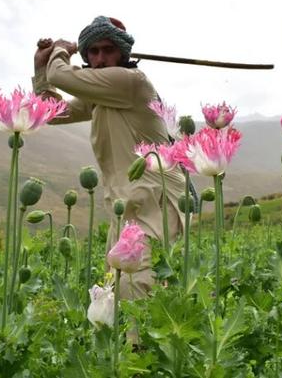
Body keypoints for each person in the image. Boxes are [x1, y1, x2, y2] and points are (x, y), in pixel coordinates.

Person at [32, 15, 183, 299]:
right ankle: (132, 344)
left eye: (108, 50)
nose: (100, 58)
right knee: (118, 280)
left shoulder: (130, 83)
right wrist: (41, 69)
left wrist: (61, 51)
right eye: (94, 51)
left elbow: (60, 76)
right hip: (126, 202)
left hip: (154, 200)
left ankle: (139, 344)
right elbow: (52, 113)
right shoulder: (102, 95)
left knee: (138, 282)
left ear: (123, 53)